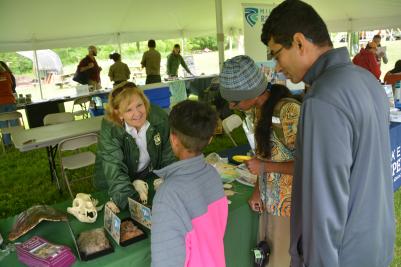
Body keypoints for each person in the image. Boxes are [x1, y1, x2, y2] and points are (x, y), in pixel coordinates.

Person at [261, 1, 395, 267]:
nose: (277, 67)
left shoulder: (323, 98)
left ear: (299, 42)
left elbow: (323, 207)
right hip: (375, 243)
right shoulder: (367, 81)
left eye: (276, 54)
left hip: (342, 255)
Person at [219, 55, 301, 267]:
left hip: (291, 206)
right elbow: (263, 155)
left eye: (235, 101)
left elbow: (308, 165)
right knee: (267, 257)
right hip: (270, 201)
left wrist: (263, 167)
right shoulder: (257, 110)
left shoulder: (288, 111)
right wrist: (258, 188)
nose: (232, 105)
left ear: (252, 92)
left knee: (283, 260)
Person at [151, 100, 228, 267]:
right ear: (209, 140)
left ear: (173, 139)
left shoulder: (167, 195)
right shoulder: (212, 174)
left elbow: (166, 261)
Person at [94, 82, 175, 210]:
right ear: (119, 114)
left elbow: (168, 156)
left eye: (139, 105)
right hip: (113, 183)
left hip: (145, 177)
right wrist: (134, 205)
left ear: (145, 103)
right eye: (128, 110)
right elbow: (114, 169)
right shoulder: (110, 128)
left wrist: (174, 182)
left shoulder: (160, 118)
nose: (137, 113)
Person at [0, 64, 17, 146]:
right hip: (10, 101)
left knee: (3, 124)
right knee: (14, 122)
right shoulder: (7, 75)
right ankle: (18, 140)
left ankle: (7, 144)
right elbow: (12, 85)